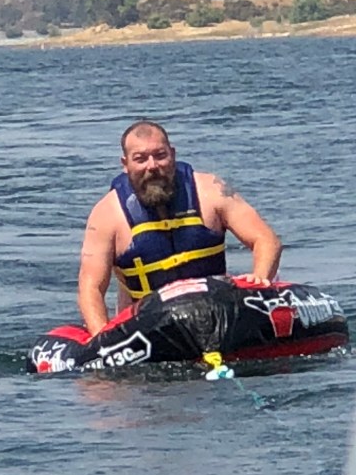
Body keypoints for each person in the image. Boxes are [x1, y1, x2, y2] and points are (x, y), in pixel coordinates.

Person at [78, 119, 282, 336]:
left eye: (160, 155)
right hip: (148, 329)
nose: (152, 166)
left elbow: (266, 240)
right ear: (125, 164)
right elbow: (91, 288)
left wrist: (260, 280)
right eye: (140, 159)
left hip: (217, 315)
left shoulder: (211, 190)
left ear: (173, 155)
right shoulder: (107, 215)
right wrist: (102, 340)